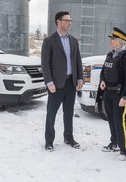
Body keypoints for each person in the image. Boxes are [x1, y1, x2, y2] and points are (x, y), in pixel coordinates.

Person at [41, 11, 83, 151]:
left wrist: (80, 78)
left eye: (70, 20)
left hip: (71, 83)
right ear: (58, 22)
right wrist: (49, 82)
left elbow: (78, 61)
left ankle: (68, 137)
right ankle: (49, 141)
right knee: (51, 113)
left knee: (69, 112)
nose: (69, 23)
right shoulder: (49, 41)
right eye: (66, 20)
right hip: (56, 85)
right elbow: (45, 64)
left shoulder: (74, 41)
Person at [99, 27, 126, 161]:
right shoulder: (110, 55)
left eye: (113, 39)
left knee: (120, 121)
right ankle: (114, 143)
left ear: (120, 42)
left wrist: (124, 97)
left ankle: (124, 150)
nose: (111, 41)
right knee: (111, 119)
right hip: (108, 92)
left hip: (119, 94)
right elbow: (103, 70)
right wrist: (102, 80)